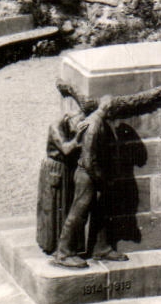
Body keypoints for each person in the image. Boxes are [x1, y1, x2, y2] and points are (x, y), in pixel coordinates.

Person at [53, 95, 127, 268]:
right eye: (115, 111)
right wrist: (101, 180)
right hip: (88, 176)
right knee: (78, 214)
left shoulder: (99, 122)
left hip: (92, 174)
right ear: (110, 110)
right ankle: (63, 253)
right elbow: (89, 161)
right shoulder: (94, 126)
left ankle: (100, 248)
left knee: (99, 211)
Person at [37, 95, 86, 255]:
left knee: (64, 205)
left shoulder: (68, 124)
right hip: (56, 168)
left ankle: (65, 244)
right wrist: (78, 137)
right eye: (76, 124)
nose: (75, 128)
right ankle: (53, 244)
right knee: (54, 206)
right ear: (69, 118)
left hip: (65, 168)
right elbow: (65, 149)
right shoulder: (56, 127)